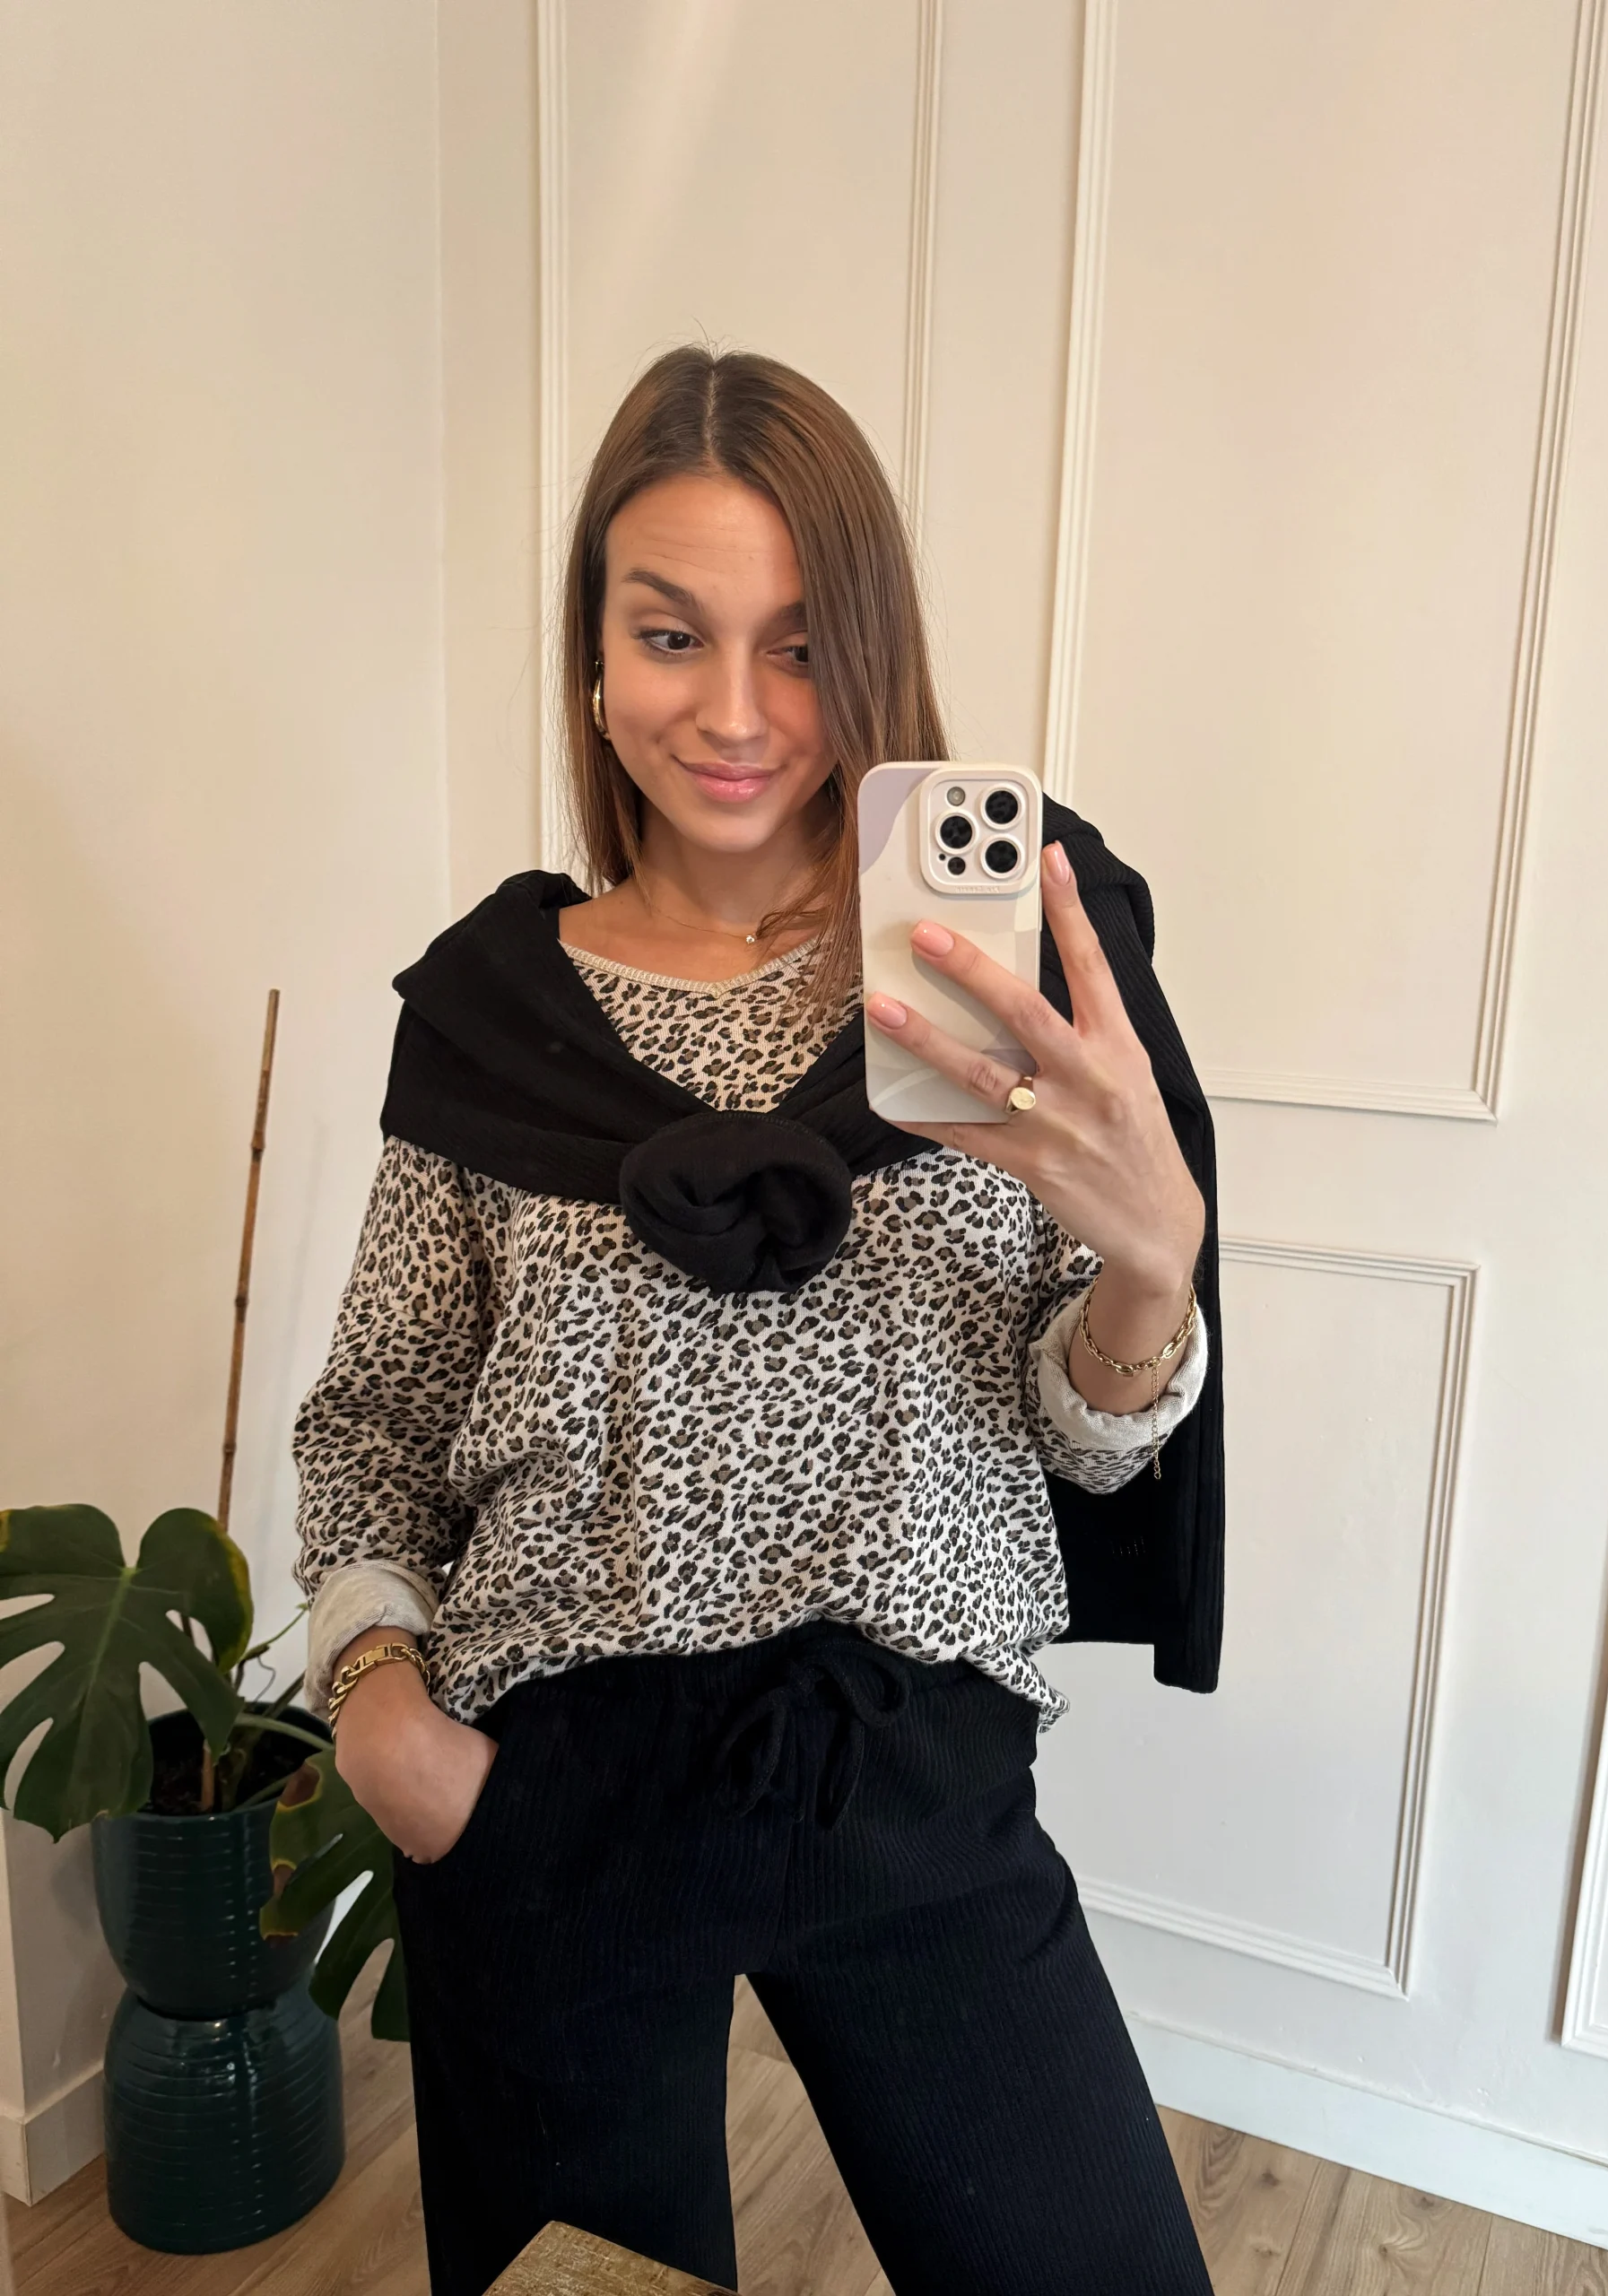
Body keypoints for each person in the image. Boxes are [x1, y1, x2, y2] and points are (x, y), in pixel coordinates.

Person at [293, 345, 1220, 2296]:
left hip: (912, 1771)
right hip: (552, 1787)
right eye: (670, 634)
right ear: (593, 658)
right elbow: (374, 1413)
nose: (731, 711)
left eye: (798, 646)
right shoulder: (490, 1013)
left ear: (871, 653)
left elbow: (1086, 1433)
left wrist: (1151, 1268)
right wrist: (381, 1712)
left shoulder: (992, 969)